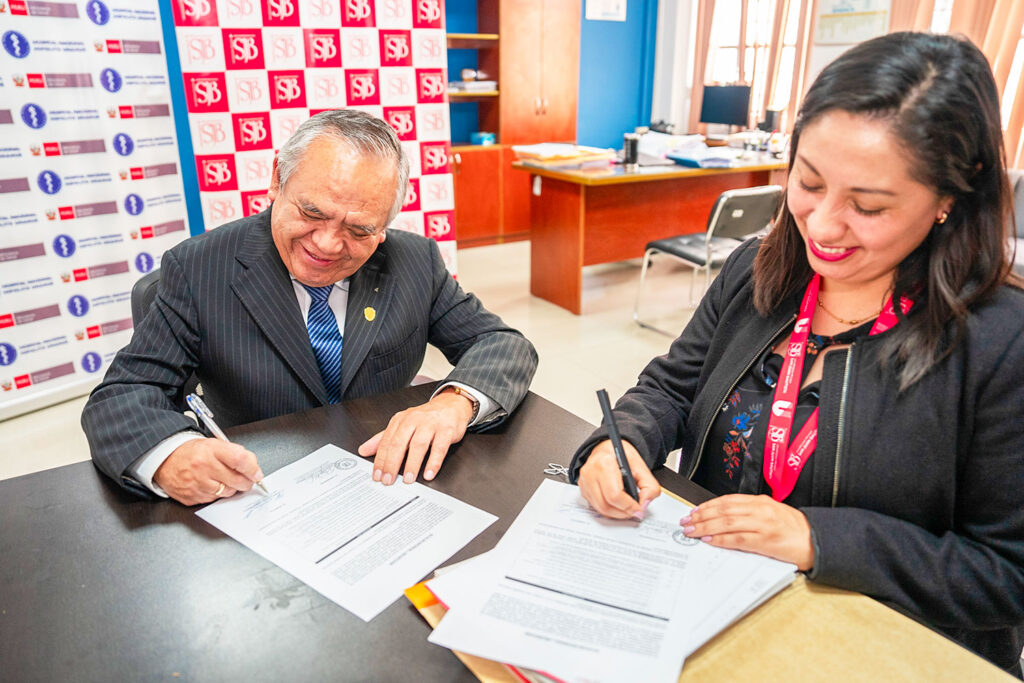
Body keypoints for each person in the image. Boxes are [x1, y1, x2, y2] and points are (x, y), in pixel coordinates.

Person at [571, 32, 1024, 672]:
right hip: (705, 615)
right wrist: (616, 445)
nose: (821, 225)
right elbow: (672, 387)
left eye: (867, 206)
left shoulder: (1003, 343)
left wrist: (819, 539)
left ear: (951, 197)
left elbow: (1006, 573)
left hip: (874, 653)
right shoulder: (758, 269)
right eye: (807, 182)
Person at [83, 109, 537, 507]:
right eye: (312, 213)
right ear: (278, 179)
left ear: (385, 227)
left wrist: (452, 405)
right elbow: (123, 395)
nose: (326, 244)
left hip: (385, 483)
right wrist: (170, 456)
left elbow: (500, 343)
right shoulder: (198, 267)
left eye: (359, 230)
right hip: (257, 490)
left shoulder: (414, 261)